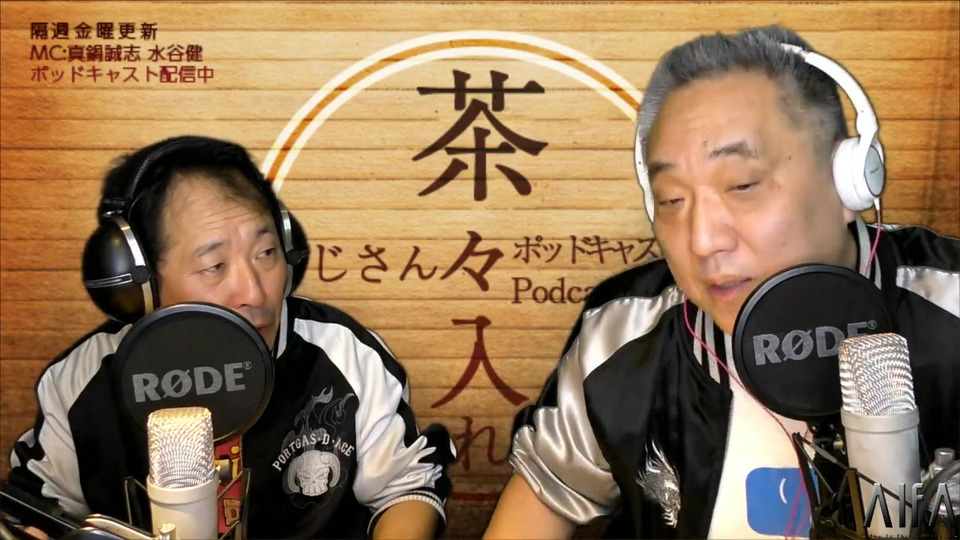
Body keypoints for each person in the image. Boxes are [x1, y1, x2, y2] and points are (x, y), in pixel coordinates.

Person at [484, 25, 959, 539]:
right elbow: (542, 502)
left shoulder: (950, 306)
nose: (703, 240)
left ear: (851, 180)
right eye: (672, 199)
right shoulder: (623, 337)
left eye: (742, 185)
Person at [6, 136, 455, 539]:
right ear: (137, 282)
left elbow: (406, 489)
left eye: (266, 253)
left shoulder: (342, 353)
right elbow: (37, 509)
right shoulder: (81, 384)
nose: (255, 293)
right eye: (214, 266)